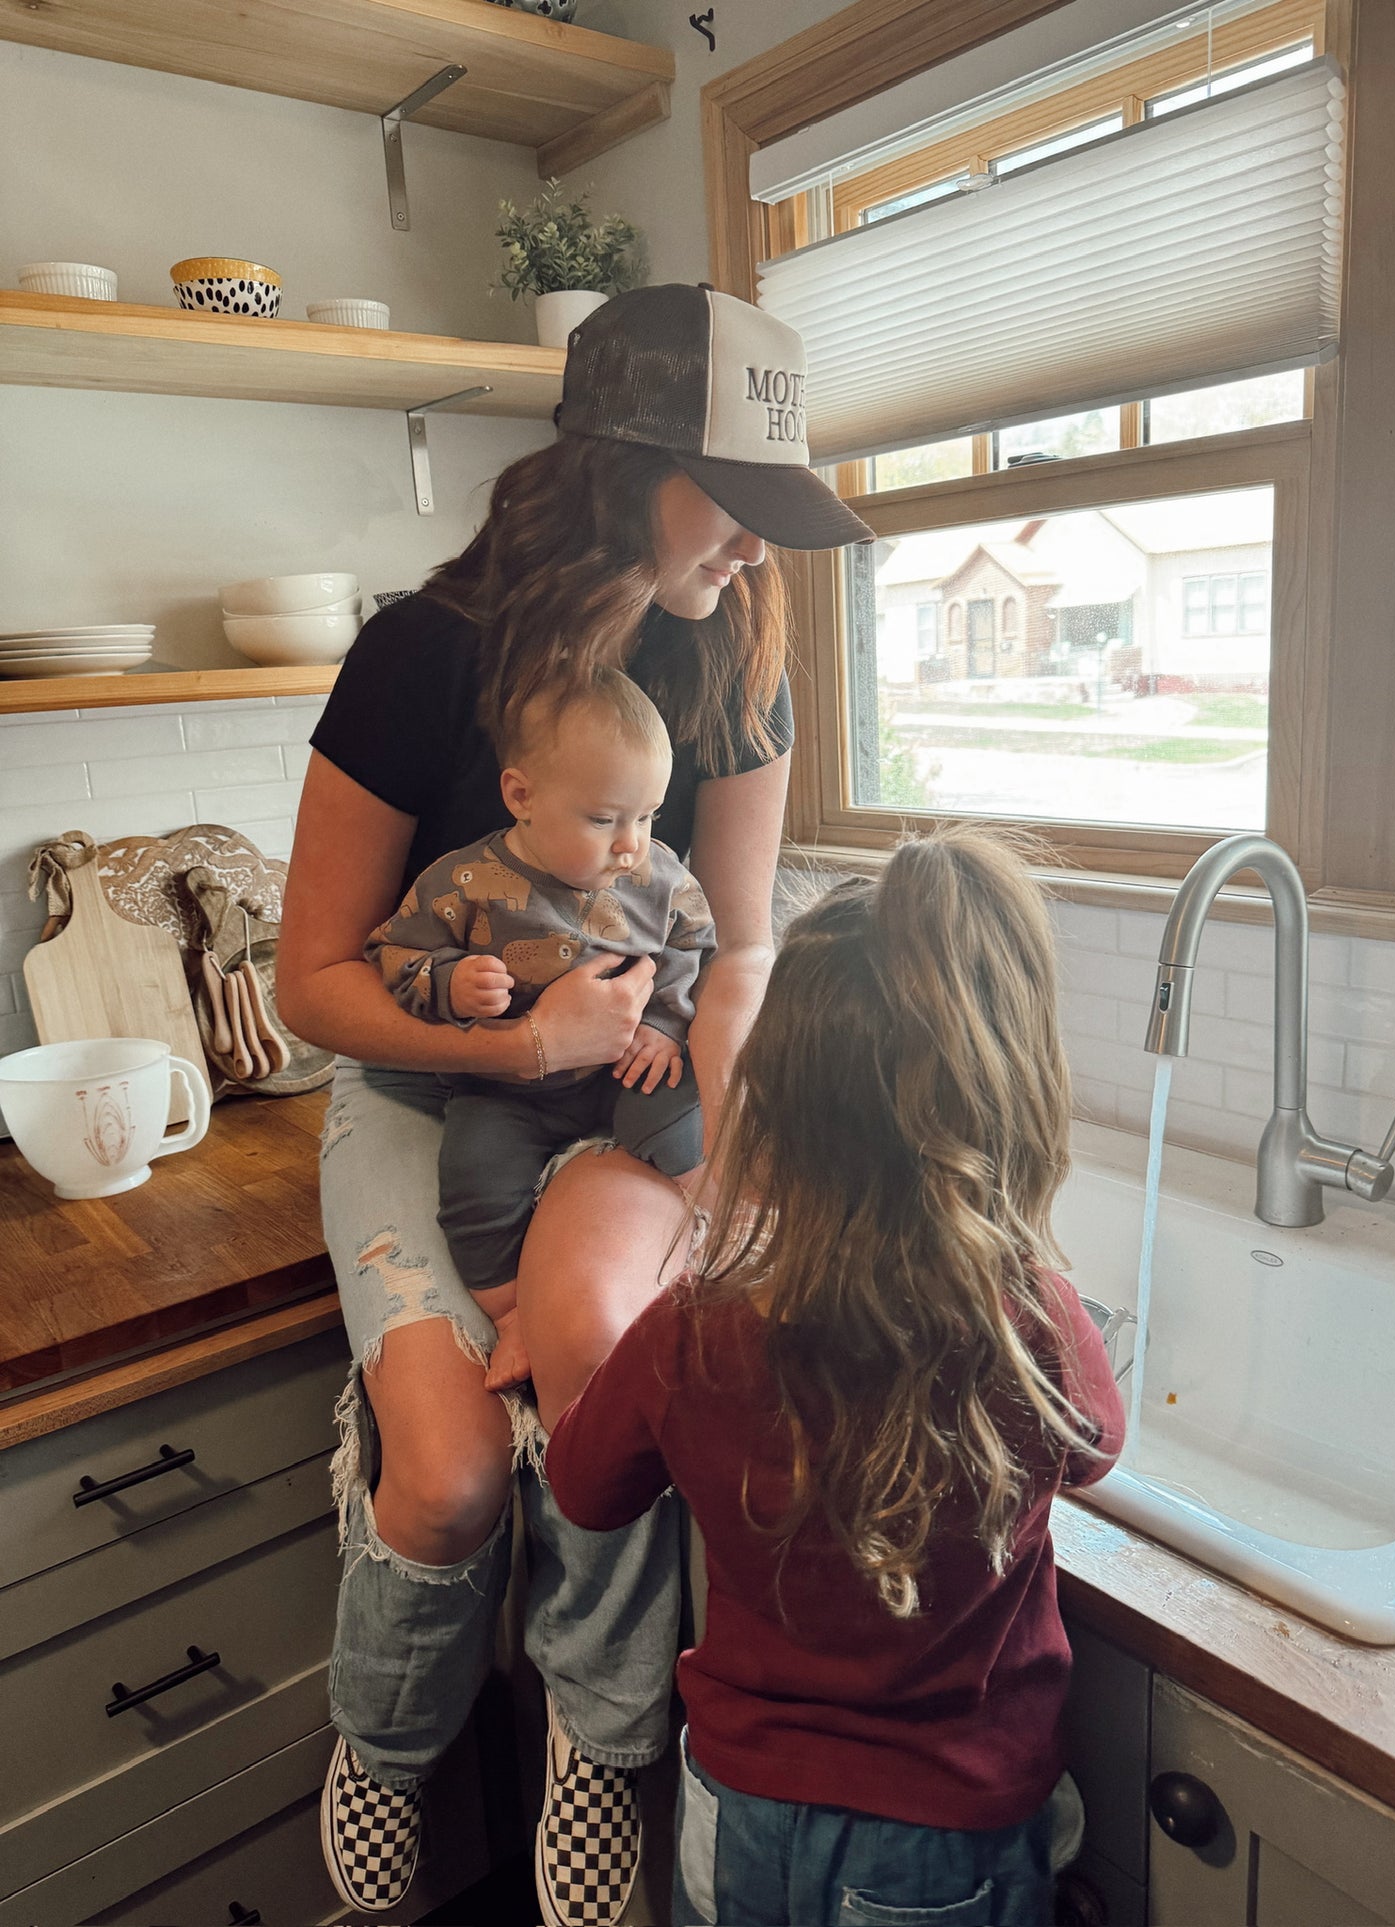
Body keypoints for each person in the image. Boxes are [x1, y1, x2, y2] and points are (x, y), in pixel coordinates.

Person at [275, 280, 873, 1923]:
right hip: (425, 1088)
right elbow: (312, 980)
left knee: (608, 1391)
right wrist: (512, 1048)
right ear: (616, 468)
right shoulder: (416, 659)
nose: (757, 551)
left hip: (626, 1104)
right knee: (459, 1472)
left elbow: (735, 950)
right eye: (733, 505)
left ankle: (597, 1745)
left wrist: (732, 1191)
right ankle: (384, 1734)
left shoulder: (739, 661)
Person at [546, 826, 1128, 1927]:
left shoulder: (690, 1334)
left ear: (771, 1107)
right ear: (990, 1109)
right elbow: (1096, 1450)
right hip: (946, 1834)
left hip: (738, 1811)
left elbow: (581, 1487)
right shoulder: (1028, 1326)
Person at [363, 668, 715, 1389]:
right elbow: (392, 952)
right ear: (521, 796)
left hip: (626, 1064)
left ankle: (727, 1228)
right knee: (472, 1184)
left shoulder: (658, 875)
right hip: (505, 1089)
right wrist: (447, 981)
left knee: (686, 1119)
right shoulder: (459, 883)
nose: (630, 844)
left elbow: (692, 945)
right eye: (604, 818)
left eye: (646, 816)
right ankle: (513, 1319)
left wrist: (666, 1025)